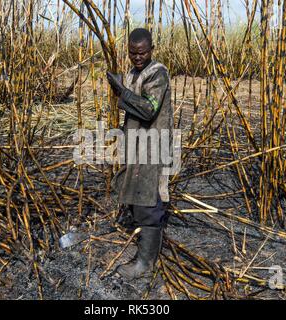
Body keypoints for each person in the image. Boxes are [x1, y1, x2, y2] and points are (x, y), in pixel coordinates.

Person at [106, 28, 173, 280]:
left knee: (150, 200)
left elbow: (147, 110)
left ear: (152, 49)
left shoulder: (158, 73)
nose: (137, 57)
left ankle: (145, 263)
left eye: (142, 52)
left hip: (153, 146)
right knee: (138, 195)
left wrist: (121, 91)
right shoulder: (136, 73)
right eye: (133, 53)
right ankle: (144, 256)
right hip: (138, 145)